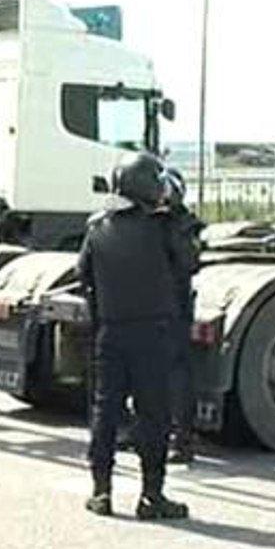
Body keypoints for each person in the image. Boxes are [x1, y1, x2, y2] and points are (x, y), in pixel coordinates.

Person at [77, 152, 190, 520]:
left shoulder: (97, 227)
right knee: (153, 414)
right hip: (152, 332)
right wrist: (177, 214)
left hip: (110, 331)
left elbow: (85, 278)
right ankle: (151, 495)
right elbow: (188, 262)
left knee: (105, 412)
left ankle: (101, 492)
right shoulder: (160, 226)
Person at [162, 168, 204, 464]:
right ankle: (145, 431)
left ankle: (182, 439)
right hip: (150, 306)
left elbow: (189, 263)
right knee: (145, 371)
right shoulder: (150, 223)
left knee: (177, 372)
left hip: (174, 306)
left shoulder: (183, 225)